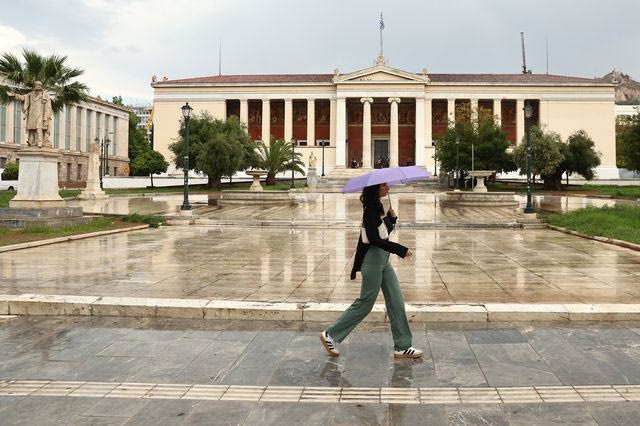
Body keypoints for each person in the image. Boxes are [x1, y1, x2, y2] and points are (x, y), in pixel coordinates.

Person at [320, 182, 423, 359]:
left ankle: (403, 346)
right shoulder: (370, 209)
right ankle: (331, 334)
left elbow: (382, 232)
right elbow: (373, 239)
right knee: (366, 303)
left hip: (384, 261)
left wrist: (392, 219)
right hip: (373, 261)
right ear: (375, 188)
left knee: (396, 301)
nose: (388, 188)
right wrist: (400, 249)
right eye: (384, 186)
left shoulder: (378, 206)